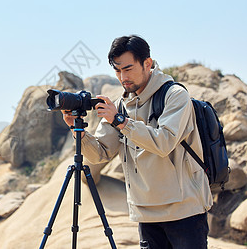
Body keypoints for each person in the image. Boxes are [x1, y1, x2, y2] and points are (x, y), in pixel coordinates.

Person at [62, 35, 213, 249]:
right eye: (117, 70)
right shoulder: (121, 105)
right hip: (146, 213)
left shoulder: (175, 96)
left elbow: (164, 142)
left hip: (184, 212)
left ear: (147, 64)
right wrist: (77, 131)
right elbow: (100, 154)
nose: (123, 77)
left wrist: (121, 121)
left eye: (128, 69)